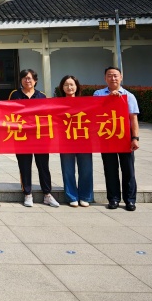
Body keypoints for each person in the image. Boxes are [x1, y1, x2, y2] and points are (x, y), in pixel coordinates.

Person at [9, 69, 60, 208]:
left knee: (43, 165)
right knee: (24, 166)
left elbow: (48, 115)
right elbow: (8, 113)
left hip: (40, 137)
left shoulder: (41, 96)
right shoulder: (15, 94)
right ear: (21, 80)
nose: (27, 80)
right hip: (22, 137)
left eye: (30, 78)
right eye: (25, 78)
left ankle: (47, 194)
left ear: (35, 81)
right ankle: (27, 194)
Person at [94, 66, 140, 211]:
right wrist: (109, 99)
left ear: (121, 77)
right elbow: (95, 112)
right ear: (105, 78)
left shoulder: (129, 96)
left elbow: (133, 119)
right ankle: (113, 199)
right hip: (107, 137)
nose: (113, 78)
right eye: (109, 75)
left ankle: (130, 200)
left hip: (124, 138)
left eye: (115, 75)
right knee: (110, 170)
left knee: (128, 170)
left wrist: (135, 138)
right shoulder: (98, 94)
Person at [57, 75, 93, 208]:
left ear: (77, 86)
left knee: (86, 169)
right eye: (66, 85)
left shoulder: (86, 103)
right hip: (65, 140)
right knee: (68, 170)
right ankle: (71, 196)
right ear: (62, 87)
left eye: (72, 84)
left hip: (84, 140)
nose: (69, 87)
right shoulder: (57, 103)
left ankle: (85, 196)